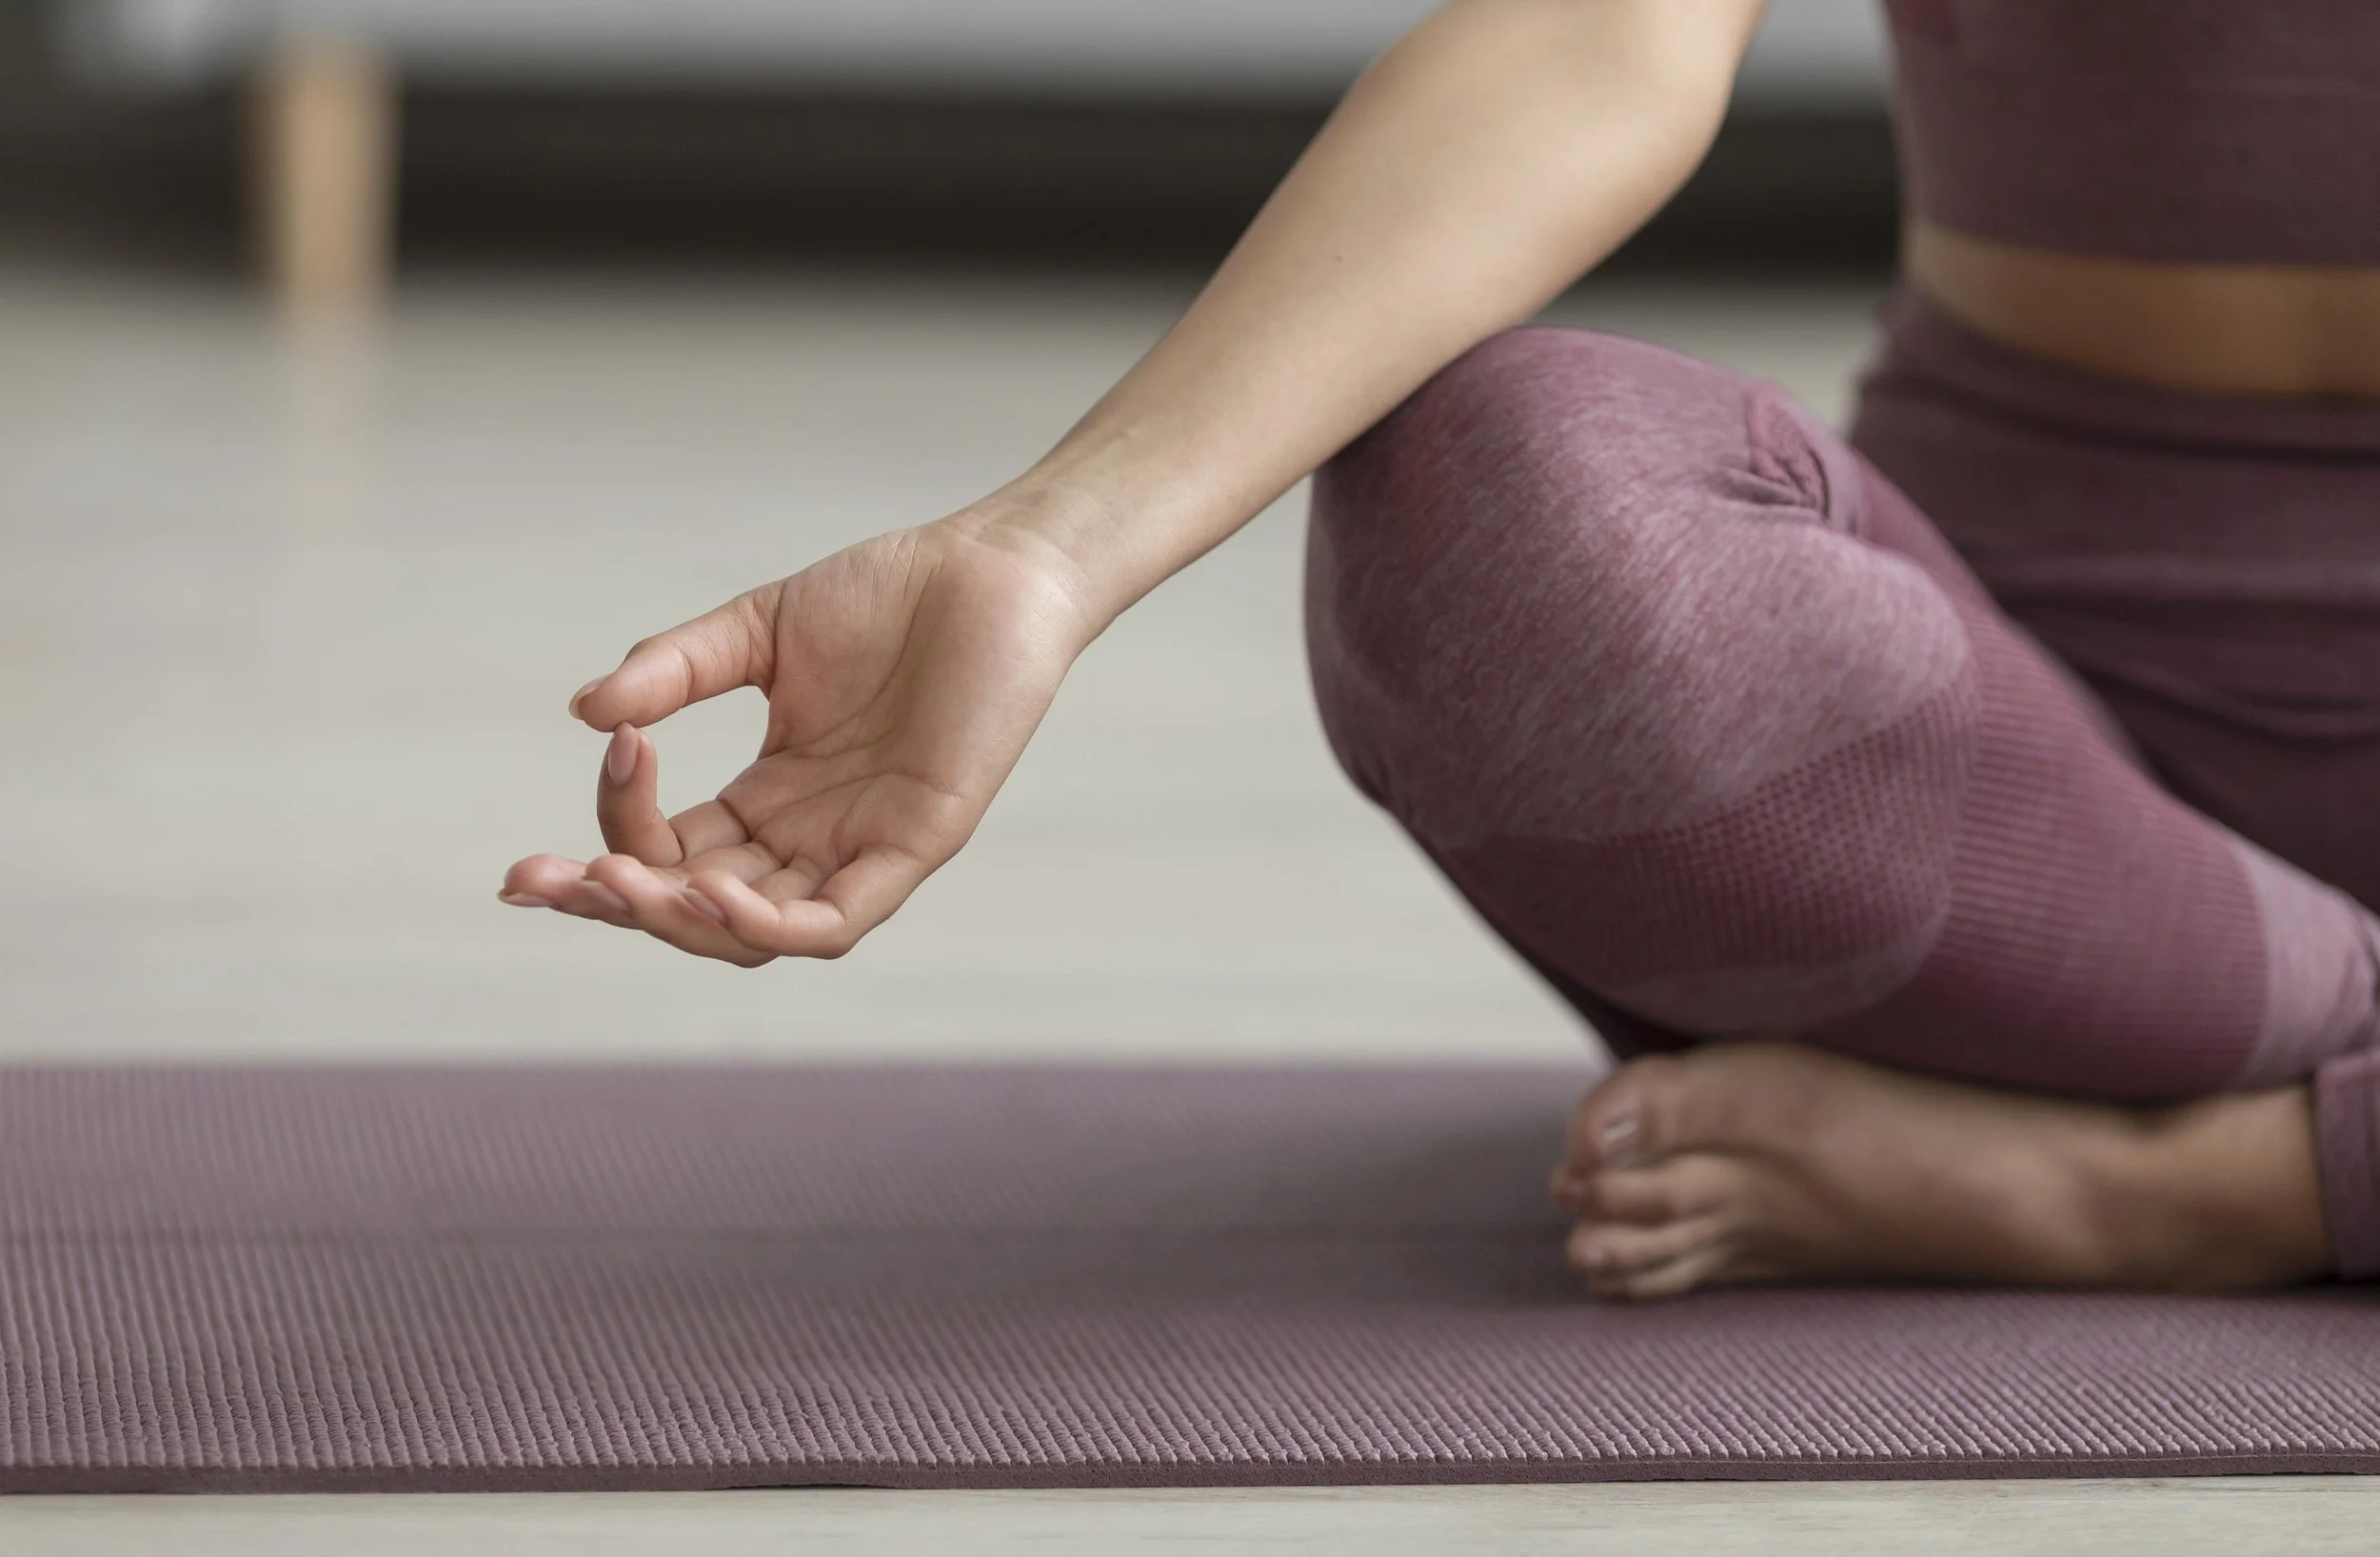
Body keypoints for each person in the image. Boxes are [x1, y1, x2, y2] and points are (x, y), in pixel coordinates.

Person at [502, 0, 2380, 1300]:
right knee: (1477, 481)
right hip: (1994, 763)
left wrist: (2164, 1208)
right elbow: (1591, 38)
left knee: (2189, 1179)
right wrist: (1041, 553)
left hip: (2032, 980)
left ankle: (2175, 1185)